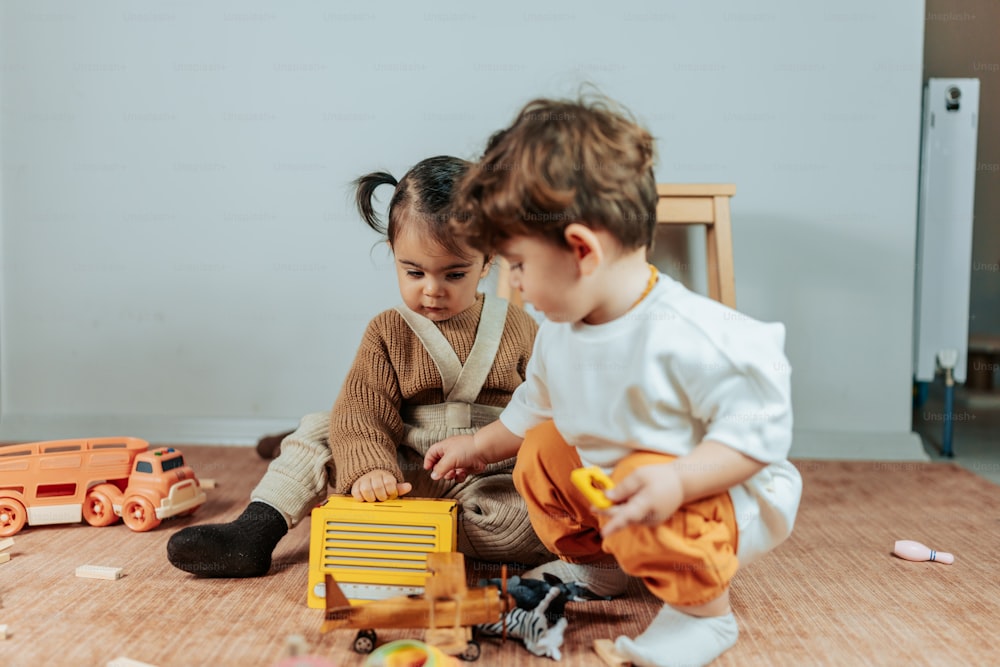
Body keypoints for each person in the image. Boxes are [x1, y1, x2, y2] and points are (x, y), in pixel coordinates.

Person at [424, 96, 803, 667]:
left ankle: (707, 613)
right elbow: (532, 409)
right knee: (543, 450)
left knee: (641, 470)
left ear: (582, 250)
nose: (516, 285)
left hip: (724, 495)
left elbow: (759, 435)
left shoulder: (689, 335)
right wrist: (477, 448)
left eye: (519, 265)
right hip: (626, 491)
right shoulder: (560, 330)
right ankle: (601, 570)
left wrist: (678, 481)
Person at [167, 155, 551, 578]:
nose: (432, 290)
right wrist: (370, 468)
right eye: (414, 271)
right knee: (322, 427)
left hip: (483, 471)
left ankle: (412, 530)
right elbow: (363, 409)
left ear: (487, 259)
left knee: (528, 519)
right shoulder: (387, 330)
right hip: (402, 462)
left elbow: (544, 405)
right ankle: (254, 530)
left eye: (455, 274)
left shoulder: (518, 325)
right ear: (393, 253)